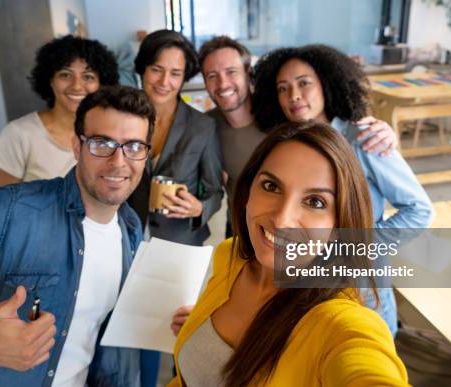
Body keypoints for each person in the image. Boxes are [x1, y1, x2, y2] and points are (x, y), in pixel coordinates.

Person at [0, 86, 154, 386]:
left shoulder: (129, 229)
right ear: (76, 147)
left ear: (146, 155)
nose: (118, 162)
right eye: (101, 143)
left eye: (133, 146)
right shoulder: (4, 213)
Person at [169, 121, 409, 386]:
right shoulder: (230, 255)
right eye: (271, 186)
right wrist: (203, 326)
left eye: (315, 202)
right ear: (248, 190)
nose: (282, 220)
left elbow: (365, 365)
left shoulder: (339, 324)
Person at [252, 45, 434, 335]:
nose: (293, 95)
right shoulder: (288, 145)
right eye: (283, 88)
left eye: (304, 83)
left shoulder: (365, 138)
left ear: (326, 84)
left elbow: (419, 211)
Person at [198, 36, 398, 238]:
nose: (223, 83)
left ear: (248, 74)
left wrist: (384, 131)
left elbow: (326, 124)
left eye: (231, 72)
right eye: (212, 75)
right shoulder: (205, 126)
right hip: (241, 228)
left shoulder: (282, 117)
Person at [128, 29, 223, 246]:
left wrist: (199, 208)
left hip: (179, 240)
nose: (164, 81)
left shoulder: (202, 127)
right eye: (156, 69)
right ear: (143, 69)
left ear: (184, 77)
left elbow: (214, 190)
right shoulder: (124, 118)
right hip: (126, 234)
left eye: (175, 73)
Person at [0, 35, 119, 188]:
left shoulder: (109, 132)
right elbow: (0, 204)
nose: (76, 86)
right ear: (50, 81)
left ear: (101, 85)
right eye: (65, 75)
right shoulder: (18, 134)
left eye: (88, 77)